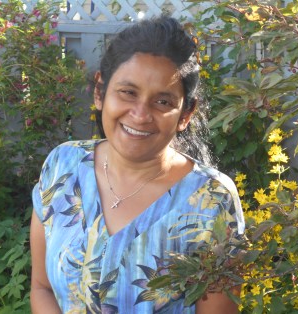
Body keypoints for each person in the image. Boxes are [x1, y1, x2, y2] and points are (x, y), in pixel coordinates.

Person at [30, 16, 245, 313]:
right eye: (128, 92)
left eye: (163, 102)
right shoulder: (63, 167)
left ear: (185, 114)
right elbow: (42, 288)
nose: (140, 114)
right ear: (99, 92)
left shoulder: (211, 201)